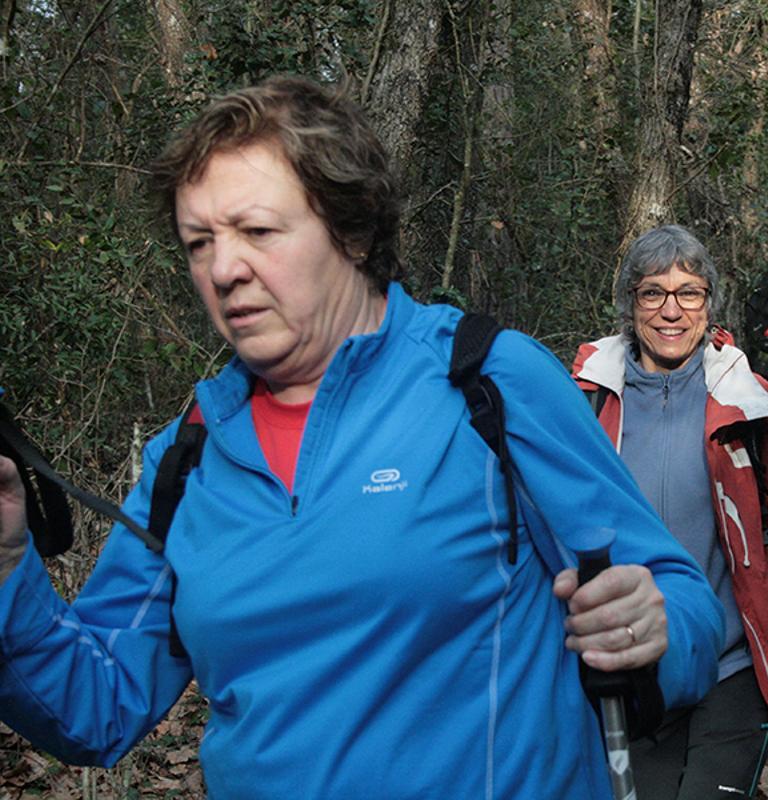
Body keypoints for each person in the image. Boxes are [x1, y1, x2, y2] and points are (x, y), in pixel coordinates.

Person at [0, 76, 725, 798]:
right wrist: (6, 563)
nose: (223, 269)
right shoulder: (187, 458)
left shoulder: (488, 383)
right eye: (199, 243)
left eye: (257, 231)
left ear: (350, 230)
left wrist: (651, 627)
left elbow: (683, 602)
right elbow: (92, 709)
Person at [572, 224, 768, 798]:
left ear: (709, 303)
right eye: (653, 293)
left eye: (688, 292)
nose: (672, 310)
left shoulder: (750, 403)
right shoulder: (586, 401)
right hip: (627, 667)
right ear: (629, 304)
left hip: (733, 665)